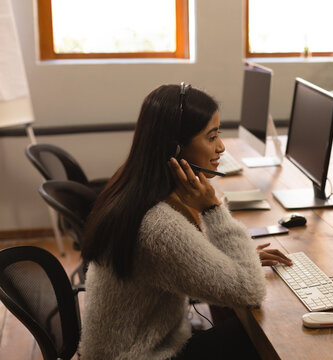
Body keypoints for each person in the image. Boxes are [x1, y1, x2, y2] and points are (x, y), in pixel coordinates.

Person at [79, 84, 292, 359]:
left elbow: (184, 258)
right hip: (142, 355)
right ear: (175, 148)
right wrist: (212, 207)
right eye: (211, 136)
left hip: (123, 350)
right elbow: (250, 290)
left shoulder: (133, 188)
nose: (221, 147)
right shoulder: (158, 225)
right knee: (263, 334)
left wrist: (236, 261)